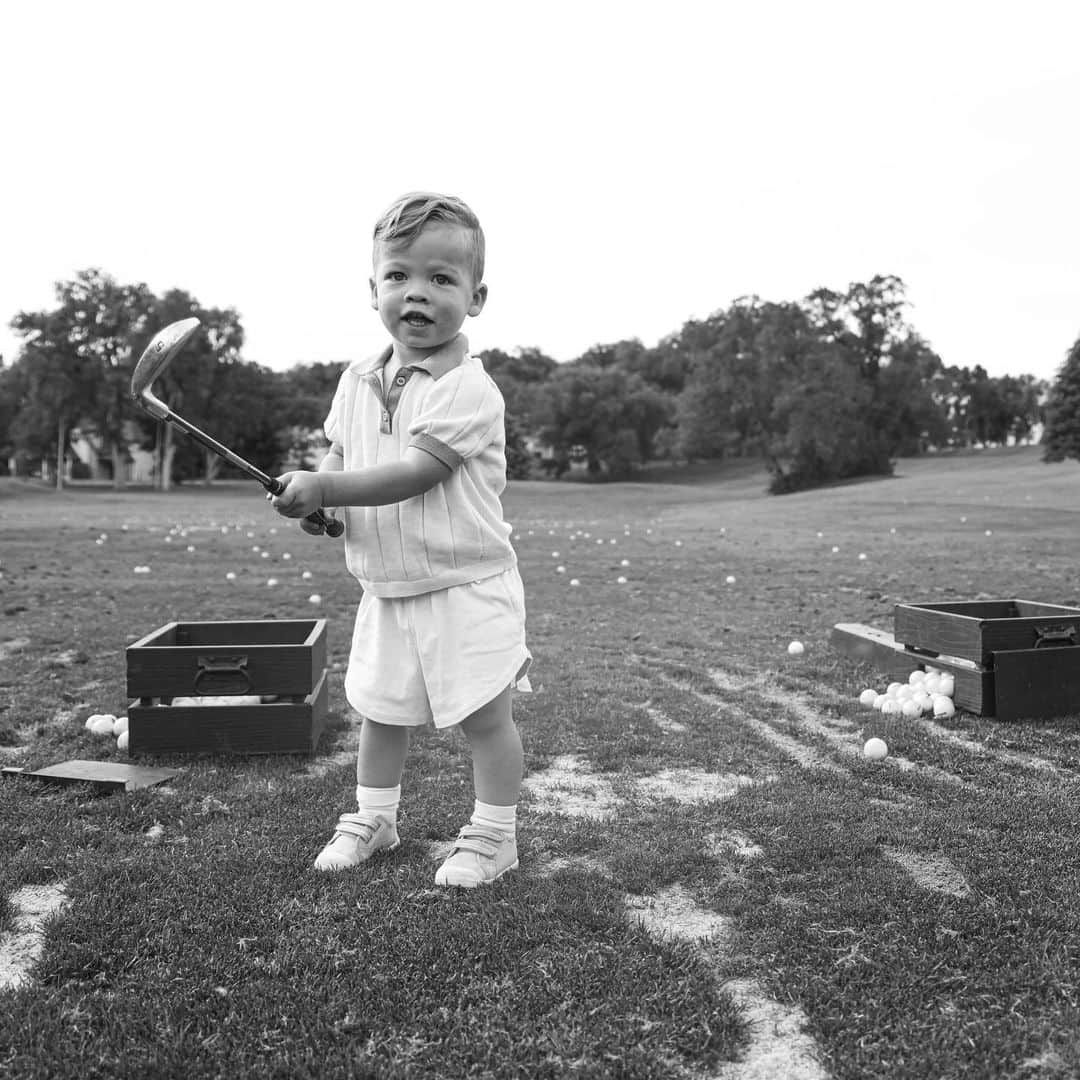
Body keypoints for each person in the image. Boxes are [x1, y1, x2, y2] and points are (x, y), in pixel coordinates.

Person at [269, 192, 530, 888]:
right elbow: (340, 457)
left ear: (476, 298)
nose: (417, 293)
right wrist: (320, 500)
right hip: (386, 585)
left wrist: (327, 489)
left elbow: (418, 473)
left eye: (442, 279)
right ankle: (375, 819)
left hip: (464, 583)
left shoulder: (468, 388)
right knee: (380, 712)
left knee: (484, 716)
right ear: (374, 287)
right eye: (399, 275)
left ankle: (494, 836)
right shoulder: (356, 380)